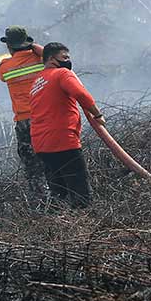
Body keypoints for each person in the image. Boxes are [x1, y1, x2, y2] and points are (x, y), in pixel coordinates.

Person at [28, 42, 106, 207]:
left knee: (59, 192)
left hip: (41, 145)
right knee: (79, 190)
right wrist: (97, 114)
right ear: (51, 58)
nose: (68, 61)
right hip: (63, 141)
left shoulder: (37, 81)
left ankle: (60, 225)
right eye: (64, 57)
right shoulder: (62, 73)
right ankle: (83, 225)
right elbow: (81, 94)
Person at [0, 26, 46, 192]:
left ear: (9, 46)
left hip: (25, 121)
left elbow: (2, 75)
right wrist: (35, 48)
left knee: (30, 160)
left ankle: (39, 195)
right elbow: (55, 56)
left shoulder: (6, 67)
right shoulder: (41, 60)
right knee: (53, 155)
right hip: (47, 116)